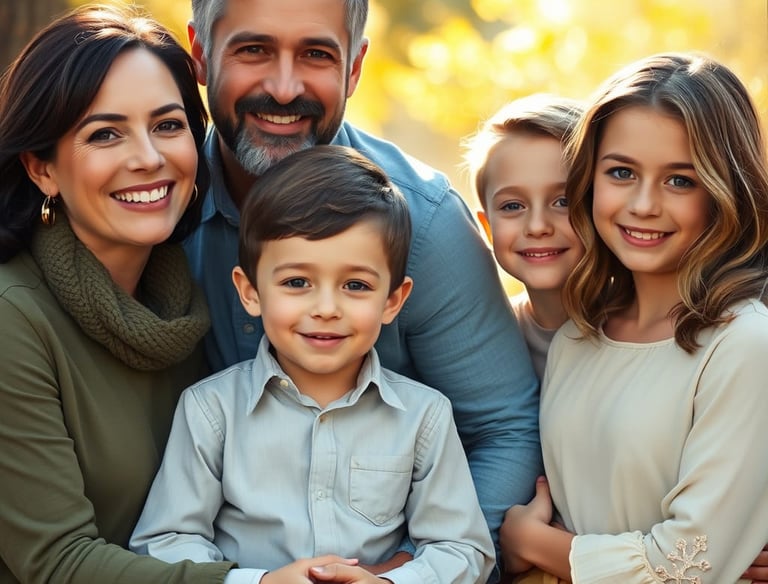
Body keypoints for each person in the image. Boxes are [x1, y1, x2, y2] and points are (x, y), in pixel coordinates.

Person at [183, 0, 542, 573]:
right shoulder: (156, 205)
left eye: (316, 54)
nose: (282, 88)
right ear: (201, 56)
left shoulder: (423, 224)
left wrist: (407, 571)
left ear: (353, 68)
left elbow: (504, 428)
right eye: (253, 50)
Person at [130, 145, 496, 584]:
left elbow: (461, 547)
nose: (326, 308)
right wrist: (258, 583)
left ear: (393, 300)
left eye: (356, 285)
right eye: (297, 282)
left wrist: (389, 583)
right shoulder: (211, 410)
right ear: (250, 292)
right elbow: (166, 540)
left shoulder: (424, 416)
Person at [499, 52, 768, 583]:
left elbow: (685, 569)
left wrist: (531, 541)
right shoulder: (578, 335)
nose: (643, 205)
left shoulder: (744, 344)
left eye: (680, 181)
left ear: (724, 191)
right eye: (621, 172)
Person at [0, 5, 237, 582]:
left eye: (167, 125)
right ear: (41, 169)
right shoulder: (13, 318)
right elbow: (57, 561)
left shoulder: (191, 299)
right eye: (105, 133)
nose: (148, 158)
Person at [464, 95, 584, 380]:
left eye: (563, 201)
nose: (538, 226)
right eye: (512, 206)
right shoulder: (484, 343)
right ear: (487, 227)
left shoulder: (644, 330)